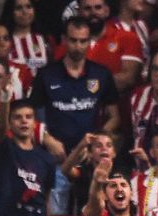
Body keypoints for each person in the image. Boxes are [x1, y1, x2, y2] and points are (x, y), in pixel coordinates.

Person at [29, 17, 119, 153]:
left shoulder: (102, 74)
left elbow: (115, 117)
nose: (78, 46)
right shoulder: (46, 75)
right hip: (54, 154)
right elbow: (32, 117)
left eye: (83, 41)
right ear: (64, 39)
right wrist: (48, 140)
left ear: (89, 41)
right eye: (73, 40)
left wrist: (98, 139)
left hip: (90, 154)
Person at [0, 98, 58, 216]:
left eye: (28, 117)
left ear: (35, 123)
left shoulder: (46, 159)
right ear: (10, 123)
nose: (23, 121)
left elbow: (46, 197)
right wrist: (5, 100)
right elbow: (0, 129)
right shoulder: (4, 149)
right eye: (17, 117)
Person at [74, 0, 144, 93]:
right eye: (87, 8)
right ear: (79, 12)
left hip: (119, 105)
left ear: (106, 10)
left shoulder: (128, 38)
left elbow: (127, 79)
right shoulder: (69, 44)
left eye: (98, 7)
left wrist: (81, 86)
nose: (93, 12)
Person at [4, 0, 51, 76]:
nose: (24, 11)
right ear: (11, 12)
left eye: (29, 7)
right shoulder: (5, 41)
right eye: (19, 8)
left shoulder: (45, 39)